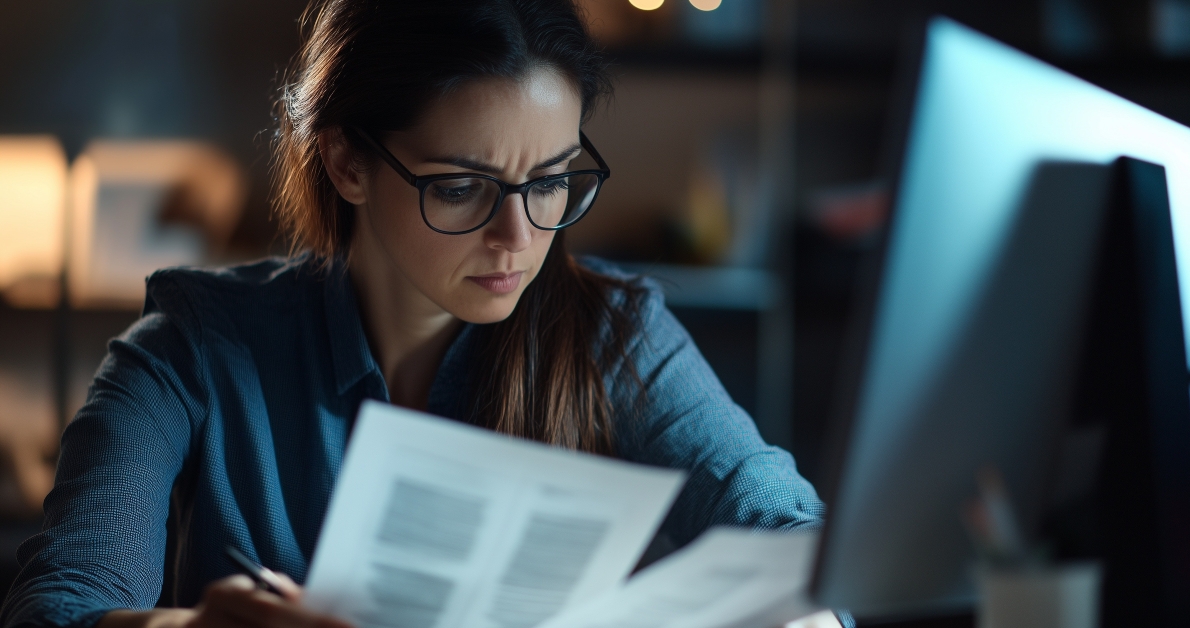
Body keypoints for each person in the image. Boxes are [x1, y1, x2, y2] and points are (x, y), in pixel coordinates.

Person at [0, 1, 826, 627]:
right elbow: (60, 605)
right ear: (346, 162)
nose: (520, 238)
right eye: (462, 187)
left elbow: (786, 523)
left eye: (550, 181)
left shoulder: (618, 338)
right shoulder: (192, 351)